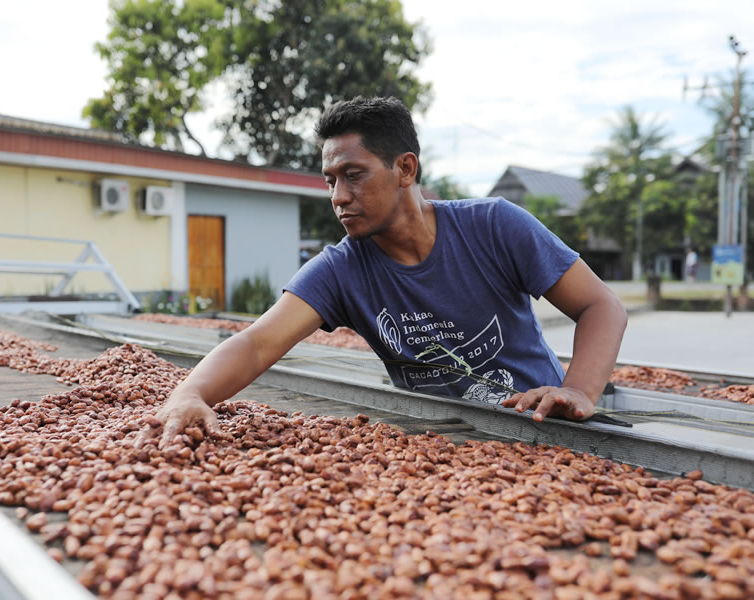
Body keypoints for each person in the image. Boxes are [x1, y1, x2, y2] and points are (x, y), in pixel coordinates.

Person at [144, 96, 627, 447]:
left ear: (405, 168)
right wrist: (189, 393)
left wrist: (577, 391)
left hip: (546, 432)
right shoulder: (342, 269)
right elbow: (255, 343)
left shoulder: (494, 225)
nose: (337, 197)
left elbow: (600, 305)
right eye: (330, 181)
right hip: (440, 446)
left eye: (353, 175)